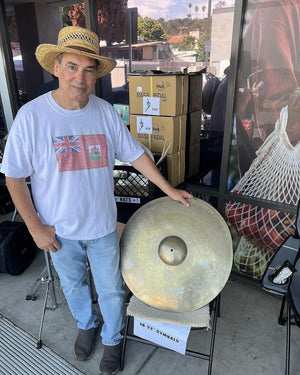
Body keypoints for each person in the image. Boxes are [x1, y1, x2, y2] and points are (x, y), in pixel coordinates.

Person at [1, 26, 193, 375]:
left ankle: (113, 338)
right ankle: (86, 324)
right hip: (58, 231)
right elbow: (13, 176)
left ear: (96, 75)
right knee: (73, 285)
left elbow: (136, 155)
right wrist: (35, 228)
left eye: (89, 69)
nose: (81, 77)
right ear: (56, 68)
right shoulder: (31, 117)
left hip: (103, 226)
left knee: (112, 290)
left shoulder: (104, 112)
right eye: (72, 66)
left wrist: (168, 189)